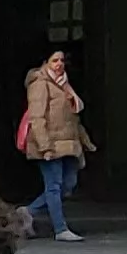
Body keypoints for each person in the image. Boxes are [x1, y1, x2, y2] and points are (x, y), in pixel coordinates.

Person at [19, 48, 94, 242]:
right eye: (54, 60)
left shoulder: (64, 84)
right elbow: (37, 117)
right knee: (53, 186)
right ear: (45, 63)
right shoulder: (40, 84)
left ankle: (28, 211)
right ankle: (60, 229)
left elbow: (72, 118)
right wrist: (45, 147)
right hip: (50, 144)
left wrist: (85, 141)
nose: (59, 64)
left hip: (68, 144)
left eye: (61, 60)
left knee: (68, 184)